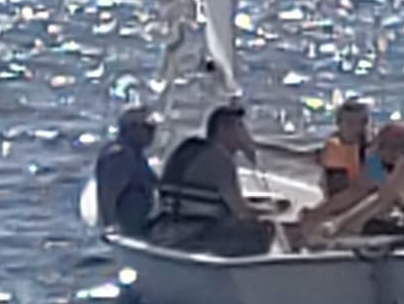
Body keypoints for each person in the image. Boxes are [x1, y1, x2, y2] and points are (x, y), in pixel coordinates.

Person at [151, 104, 275, 256]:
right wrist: (272, 213)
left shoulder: (190, 150)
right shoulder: (219, 158)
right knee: (261, 231)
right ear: (223, 129)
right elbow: (241, 212)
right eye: (240, 127)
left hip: (164, 229)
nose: (246, 133)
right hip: (189, 237)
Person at [94, 106, 159, 235]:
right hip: (127, 230)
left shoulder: (137, 154)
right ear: (132, 128)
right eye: (148, 129)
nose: (153, 134)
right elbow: (108, 195)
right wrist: (110, 226)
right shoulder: (120, 156)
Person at [319, 98, 370, 197]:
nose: (356, 128)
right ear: (339, 124)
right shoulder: (334, 148)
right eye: (350, 123)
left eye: (361, 123)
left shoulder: (371, 149)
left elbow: (381, 183)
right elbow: (334, 189)